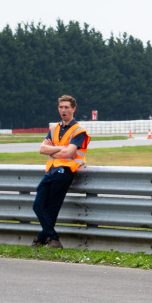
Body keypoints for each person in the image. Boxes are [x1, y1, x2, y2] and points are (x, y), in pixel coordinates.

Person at [32, 95, 90, 249]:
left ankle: (46, 239)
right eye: (61, 107)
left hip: (64, 172)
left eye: (66, 107)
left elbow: (69, 153)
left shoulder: (79, 130)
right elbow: (42, 149)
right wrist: (59, 149)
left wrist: (53, 150)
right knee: (38, 205)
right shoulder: (54, 128)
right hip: (51, 170)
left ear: (73, 109)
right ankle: (48, 238)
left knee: (51, 207)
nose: (63, 110)